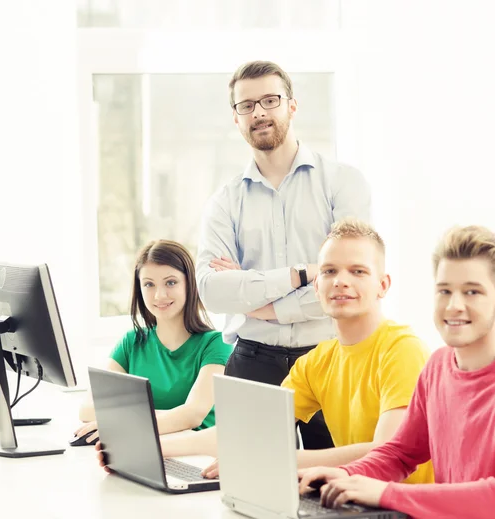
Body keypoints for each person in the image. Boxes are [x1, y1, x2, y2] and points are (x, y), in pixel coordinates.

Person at [105, 219, 432, 485]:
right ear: (316, 286)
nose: (340, 281)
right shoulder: (317, 362)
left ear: (383, 285)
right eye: (329, 271)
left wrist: (275, 461)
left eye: (358, 271)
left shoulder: (400, 349)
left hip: (403, 508)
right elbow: (242, 430)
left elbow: (384, 454)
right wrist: (148, 448)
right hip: (359, 500)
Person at [299, 225, 495, 518]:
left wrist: (385, 493)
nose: (454, 306)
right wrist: (340, 474)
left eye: (472, 292)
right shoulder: (438, 366)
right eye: (445, 291)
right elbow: (400, 454)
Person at [195, 60, 371, 449]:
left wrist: (261, 305)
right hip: (251, 362)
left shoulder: (342, 183)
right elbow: (212, 291)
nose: (259, 112)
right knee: (246, 487)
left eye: (270, 100)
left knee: (339, 487)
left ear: (292, 106)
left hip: (331, 357)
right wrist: (302, 273)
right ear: (236, 118)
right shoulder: (224, 202)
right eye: (246, 105)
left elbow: (350, 282)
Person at [74, 240, 232, 445]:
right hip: (142, 448)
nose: (159, 295)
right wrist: (148, 420)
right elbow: (87, 408)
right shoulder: (132, 342)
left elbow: (193, 414)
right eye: (149, 284)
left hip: (193, 456)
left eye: (171, 282)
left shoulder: (216, 343)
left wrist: (122, 420)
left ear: (190, 284)